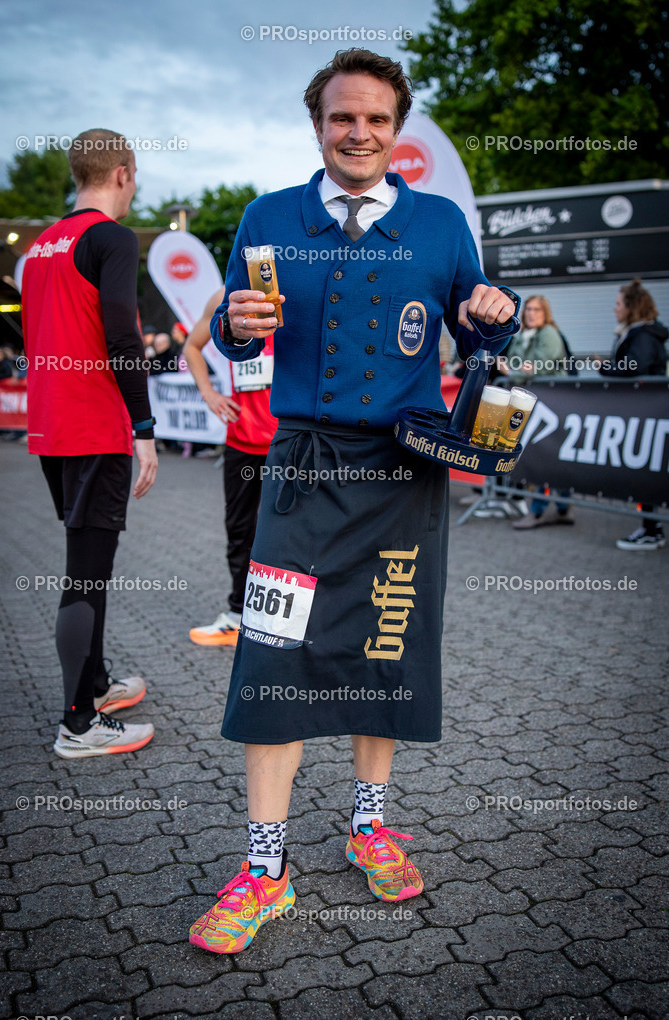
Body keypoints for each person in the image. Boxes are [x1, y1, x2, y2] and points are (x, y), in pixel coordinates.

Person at [188, 49, 519, 956]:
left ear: (396, 128)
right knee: (271, 656)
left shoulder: (441, 224)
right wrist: (230, 327)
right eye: (342, 118)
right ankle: (265, 870)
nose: (359, 133)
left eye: (375, 118)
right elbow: (225, 326)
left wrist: (498, 304)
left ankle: (369, 826)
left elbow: (479, 320)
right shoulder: (266, 216)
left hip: (404, 476)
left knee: (388, 647)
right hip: (298, 470)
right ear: (318, 124)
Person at [21, 127, 158, 759]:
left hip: (51, 424)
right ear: (124, 172)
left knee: (86, 563)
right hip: (95, 424)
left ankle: (96, 684)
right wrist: (145, 428)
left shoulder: (43, 245)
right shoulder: (112, 237)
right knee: (86, 572)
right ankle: (78, 722)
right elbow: (123, 338)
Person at [184, 290, 277, 646]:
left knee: (296, 532)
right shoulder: (225, 296)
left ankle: (298, 618)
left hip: (289, 440)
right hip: (242, 440)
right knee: (240, 531)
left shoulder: (301, 282)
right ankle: (239, 615)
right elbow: (192, 347)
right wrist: (208, 392)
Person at [600, 278, 668, 551]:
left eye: (618, 303)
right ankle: (650, 526)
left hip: (647, 411)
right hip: (642, 411)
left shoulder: (642, 335)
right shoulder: (637, 333)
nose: (614, 308)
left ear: (631, 306)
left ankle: (652, 529)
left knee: (646, 469)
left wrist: (606, 368)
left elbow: (634, 367)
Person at [501, 296, 574, 529]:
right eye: (529, 309)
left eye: (537, 309)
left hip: (552, 403)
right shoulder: (521, 336)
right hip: (532, 402)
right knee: (549, 454)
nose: (531, 313)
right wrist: (516, 369)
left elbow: (534, 367)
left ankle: (538, 511)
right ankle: (562, 508)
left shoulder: (549, 333)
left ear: (546, 312)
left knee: (545, 454)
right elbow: (517, 365)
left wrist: (513, 371)